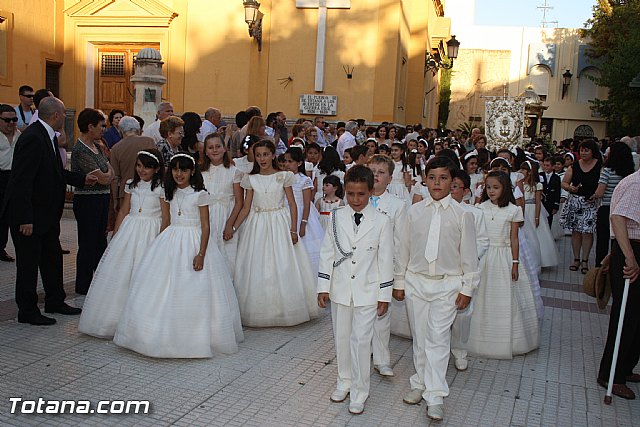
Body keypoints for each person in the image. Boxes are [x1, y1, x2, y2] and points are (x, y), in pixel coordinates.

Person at [114, 153, 243, 358]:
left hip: (193, 241)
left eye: (183, 170)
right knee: (162, 286)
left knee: (194, 286)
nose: (179, 174)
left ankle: (193, 335)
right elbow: (166, 219)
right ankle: (157, 332)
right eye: (175, 169)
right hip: (171, 239)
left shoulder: (200, 194)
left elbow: (206, 226)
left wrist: (201, 253)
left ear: (192, 172)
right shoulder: (169, 192)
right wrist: (157, 244)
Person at [395, 157, 479, 422]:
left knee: (438, 339)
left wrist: (467, 288)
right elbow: (403, 249)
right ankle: (419, 382)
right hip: (416, 281)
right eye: (432, 177)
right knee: (420, 337)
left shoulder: (463, 214)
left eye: (443, 178)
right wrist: (399, 282)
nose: (437, 183)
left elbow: (469, 256)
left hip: (448, 284)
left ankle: (435, 395)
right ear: (424, 179)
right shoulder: (414, 212)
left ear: (453, 182)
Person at [0, 97, 96, 325]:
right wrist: (24, 218)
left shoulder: (48, 137)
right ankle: (27, 310)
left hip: (47, 215)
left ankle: (55, 300)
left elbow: (54, 172)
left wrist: (82, 179)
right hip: (31, 215)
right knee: (28, 264)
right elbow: (22, 181)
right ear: (55, 116)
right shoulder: (33, 138)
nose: (65, 118)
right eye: (63, 114)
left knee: (52, 258)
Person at [317, 165, 394, 415]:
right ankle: (344, 381)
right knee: (341, 338)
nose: (356, 200)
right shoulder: (337, 216)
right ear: (345, 192)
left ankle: (360, 391)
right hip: (340, 289)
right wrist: (323, 286)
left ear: (371, 192)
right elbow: (327, 252)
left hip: (368, 291)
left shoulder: (382, 221)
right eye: (350, 194)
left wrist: (384, 294)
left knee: (361, 341)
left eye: (361, 194)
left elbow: (385, 259)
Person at [78, 150, 167, 338]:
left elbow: (166, 217)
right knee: (123, 271)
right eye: (139, 166)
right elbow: (124, 209)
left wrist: (161, 240)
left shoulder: (161, 187)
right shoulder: (130, 185)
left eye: (147, 167)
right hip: (131, 229)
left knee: (144, 273)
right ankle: (113, 320)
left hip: (151, 229)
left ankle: (140, 321)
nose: (142, 170)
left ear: (157, 169)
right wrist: (117, 234)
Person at [232, 140, 318, 327]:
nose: (262, 158)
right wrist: (233, 228)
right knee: (258, 266)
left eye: (265, 154)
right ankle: (260, 310)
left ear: (273, 155)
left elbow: (293, 205)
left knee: (283, 264)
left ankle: (285, 309)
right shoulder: (250, 179)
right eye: (258, 155)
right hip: (257, 224)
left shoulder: (283, 176)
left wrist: (294, 229)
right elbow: (246, 208)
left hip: (279, 221)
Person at [467, 171, 539, 359]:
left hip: (504, 256)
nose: (491, 191)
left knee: (504, 296)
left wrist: (515, 262)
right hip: (483, 255)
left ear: (505, 188)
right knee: (480, 296)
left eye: (496, 187)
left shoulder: (513, 210)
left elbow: (514, 239)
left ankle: (508, 339)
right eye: (488, 187)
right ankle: (478, 337)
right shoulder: (480, 208)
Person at [597, 168, 640, 400]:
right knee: (627, 317)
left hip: (629, 249)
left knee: (636, 317)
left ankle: (625, 367)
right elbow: (617, 218)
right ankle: (611, 374)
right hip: (632, 249)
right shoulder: (637, 184)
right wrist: (629, 256)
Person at [366, 155, 408, 376]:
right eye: (371, 170)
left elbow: (401, 243)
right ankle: (362, 353)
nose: (375, 176)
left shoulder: (397, 206)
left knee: (382, 313)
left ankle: (382, 359)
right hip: (361, 267)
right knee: (361, 312)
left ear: (390, 178)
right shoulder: (356, 199)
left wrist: (399, 278)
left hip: (384, 267)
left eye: (381, 172)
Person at [448, 169, 489, 371]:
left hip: (464, 272)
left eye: (455, 187)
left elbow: (482, 241)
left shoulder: (474, 213)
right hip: (441, 271)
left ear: (465, 191)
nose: (450, 190)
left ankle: (459, 350)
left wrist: (467, 258)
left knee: (462, 314)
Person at [71, 108, 115, 295]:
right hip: (88, 201)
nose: (104, 129)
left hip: (102, 198)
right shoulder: (81, 149)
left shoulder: (98, 146)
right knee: (88, 242)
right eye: (101, 125)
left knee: (100, 241)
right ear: (90, 126)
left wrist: (106, 174)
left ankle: (101, 280)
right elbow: (104, 177)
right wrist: (106, 174)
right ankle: (83, 284)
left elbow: (110, 172)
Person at [201, 133, 244, 277]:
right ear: (206, 151)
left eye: (218, 146)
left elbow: (239, 202)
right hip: (207, 216)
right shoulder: (201, 172)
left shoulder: (234, 172)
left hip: (226, 215)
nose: (214, 150)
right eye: (211, 147)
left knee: (227, 256)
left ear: (224, 149)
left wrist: (230, 225)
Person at [560, 139, 602, 273]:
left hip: (591, 203)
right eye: (581, 150)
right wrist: (570, 188)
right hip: (575, 202)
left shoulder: (600, 166)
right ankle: (576, 258)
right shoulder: (574, 166)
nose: (583, 153)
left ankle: (585, 260)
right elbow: (564, 183)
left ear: (592, 151)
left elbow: (603, 184)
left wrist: (595, 195)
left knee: (588, 232)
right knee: (576, 232)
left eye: (586, 150)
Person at [593, 142, 634, 267]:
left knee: (602, 243)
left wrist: (593, 195)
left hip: (606, 209)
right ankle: (615, 268)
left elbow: (600, 192)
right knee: (617, 243)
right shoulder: (630, 173)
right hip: (622, 212)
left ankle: (600, 271)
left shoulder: (607, 171)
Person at [284, 147, 324, 275]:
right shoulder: (283, 178)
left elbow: (307, 204)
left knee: (304, 248)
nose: (287, 164)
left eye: (290, 161)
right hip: (286, 213)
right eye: (285, 161)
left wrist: (303, 223)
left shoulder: (304, 180)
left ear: (299, 163)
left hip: (302, 214)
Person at [109, 116, 155, 214]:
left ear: (121, 131)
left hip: (126, 192)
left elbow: (115, 177)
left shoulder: (116, 148)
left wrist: (115, 200)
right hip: (149, 190)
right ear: (138, 129)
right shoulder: (149, 141)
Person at [520, 160, 558, 268]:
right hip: (523, 209)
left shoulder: (537, 185)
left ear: (530, 172)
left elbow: (538, 202)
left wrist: (537, 217)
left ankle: (540, 260)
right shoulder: (520, 184)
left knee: (537, 234)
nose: (521, 171)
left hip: (532, 210)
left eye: (523, 169)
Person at [0, 104, 20, 261]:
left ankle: (1, 247)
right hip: (0, 176)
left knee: (8, 215)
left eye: (14, 119)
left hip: (14, 177)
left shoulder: (19, 135)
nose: (11, 123)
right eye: (7, 120)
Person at [540, 156, 561, 227]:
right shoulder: (540, 175)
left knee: (549, 220)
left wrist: (556, 205)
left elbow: (557, 192)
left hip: (551, 203)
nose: (545, 167)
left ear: (553, 167)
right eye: (544, 165)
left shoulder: (556, 178)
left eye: (548, 165)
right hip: (541, 202)